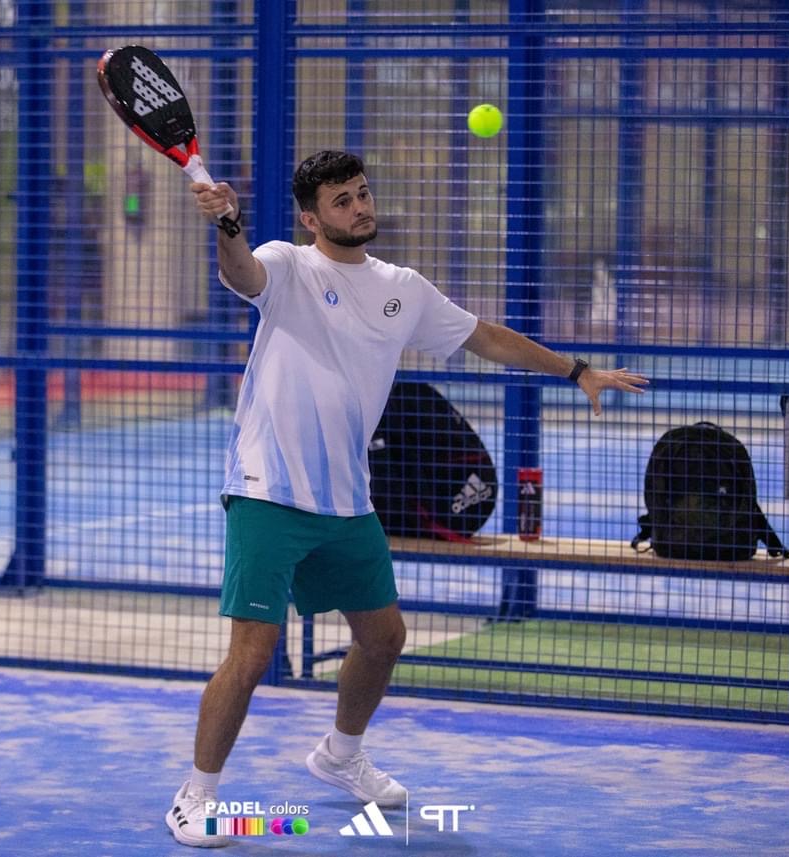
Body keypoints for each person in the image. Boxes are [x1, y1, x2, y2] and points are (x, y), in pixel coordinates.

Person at [167, 150, 648, 848]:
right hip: (269, 489)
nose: (360, 207)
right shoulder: (288, 265)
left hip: (348, 500)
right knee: (252, 653)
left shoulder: (403, 288)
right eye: (341, 200)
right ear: (311, 218)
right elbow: (242, 273)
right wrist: (228, 224)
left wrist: (575, 371)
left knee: (384, 637)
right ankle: (195, 796)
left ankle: (339, 755)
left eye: (362, 193)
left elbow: (486, 338)